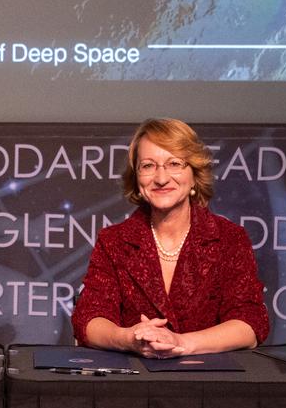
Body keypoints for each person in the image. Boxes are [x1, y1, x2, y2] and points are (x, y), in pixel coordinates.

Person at [71, 117, 267, 356]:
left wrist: (181, 342)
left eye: (174, 164)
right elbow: (89, 319)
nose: (161, 178)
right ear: (136, 177)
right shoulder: (114, 241)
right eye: (148, 166)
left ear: (194, 175)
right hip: (133, 384)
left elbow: (249, 323)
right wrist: (129, 338)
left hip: (208, 384)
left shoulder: (229, 239)